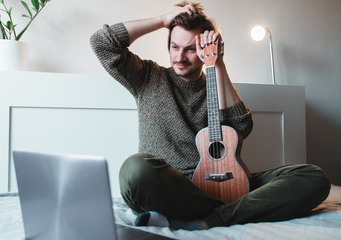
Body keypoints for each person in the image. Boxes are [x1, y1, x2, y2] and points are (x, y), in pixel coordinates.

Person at [90, 1, 330, 230]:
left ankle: (211, 218)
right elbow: (102, 43)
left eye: (191, 49)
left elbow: (242, 128)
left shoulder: (215, 87)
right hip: (170, 189)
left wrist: (219, 63)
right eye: (175, 46)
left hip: (224, 183)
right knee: (135, 169)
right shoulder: (147, 77)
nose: (180, 57)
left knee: (312, 177)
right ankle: (230, 211)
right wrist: (163, 20)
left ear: (205, 49)